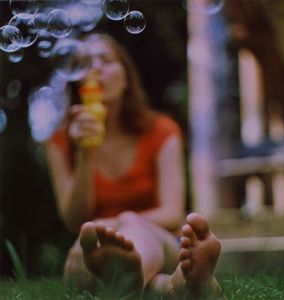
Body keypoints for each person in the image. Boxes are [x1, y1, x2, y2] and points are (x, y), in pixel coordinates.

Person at [45, 32, 222, 299]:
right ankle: (179, 287)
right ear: (78, 83)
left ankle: (127, 276)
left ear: (126, 77)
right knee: (103, 255)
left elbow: (172, 212)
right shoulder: (60, 142)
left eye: (105, 59)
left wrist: (119, 221)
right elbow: (74, 221)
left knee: (134, 227)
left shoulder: (161, 130)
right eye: (85, 62)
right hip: (92, 248)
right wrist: (86, 154)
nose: (95, 68)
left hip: (163, 241)